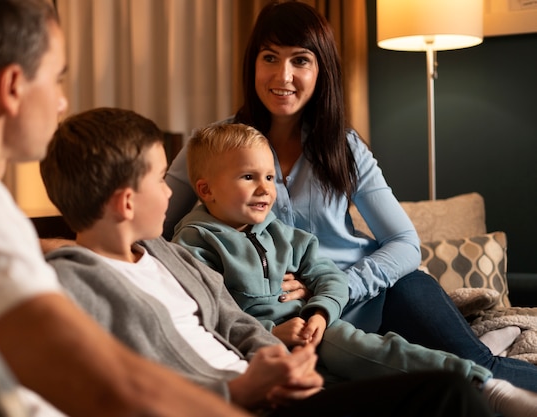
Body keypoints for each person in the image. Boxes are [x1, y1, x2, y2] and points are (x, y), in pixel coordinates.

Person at [162, 0, 537, 392]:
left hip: (378, 298)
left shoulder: (343, 146)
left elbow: (406, 244)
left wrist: (336, 285)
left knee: (479, 369)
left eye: (300, 60)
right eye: (270, 57)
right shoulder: (211, 147)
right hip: (290, 323)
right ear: (252, 64)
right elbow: (153, 229)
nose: (283, 75)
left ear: (321, 69)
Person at [39, 106, 497, 417]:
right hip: (237, 404)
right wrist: (238, 390)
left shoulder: (168, 256)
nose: (169, 192)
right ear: (125, 202)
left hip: (284, 386)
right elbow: (118, 391)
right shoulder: (77, 285)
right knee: (446, 395)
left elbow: (234, 322)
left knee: (447, 391)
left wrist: (281, 361)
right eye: (160, 180)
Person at [0, 1, 251, 416]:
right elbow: (114, 391)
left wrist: (39, 246)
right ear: (12, 86)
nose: (61, 102)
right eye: (56, 79)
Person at [171, 122, 537, 417]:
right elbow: (209, 313)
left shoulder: (282, 232)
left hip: (324, 324)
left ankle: (485, 385)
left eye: (269, 177)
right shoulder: (196, 242)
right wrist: (272, 332)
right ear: (205, 189)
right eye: (248, 177)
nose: (266, 189)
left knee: (381, 350)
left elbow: (328, 273)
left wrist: (319, 311)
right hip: (266, 342)